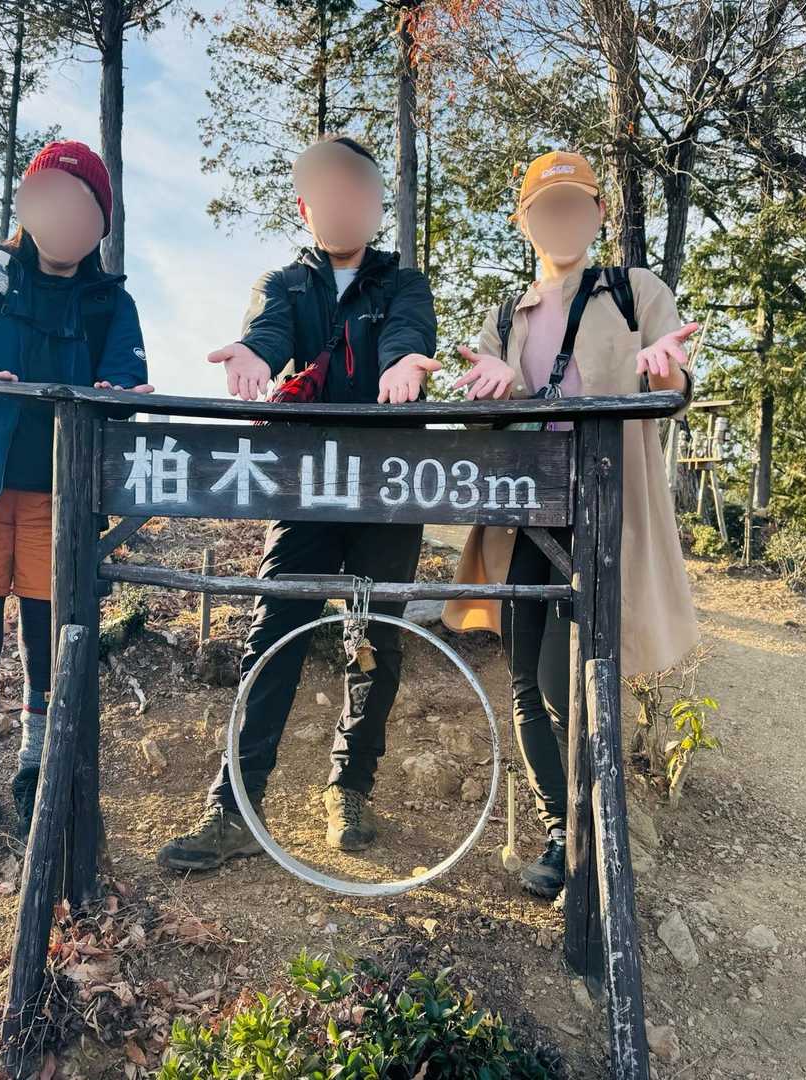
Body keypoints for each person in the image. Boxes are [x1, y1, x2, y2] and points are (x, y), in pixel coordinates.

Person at [156, 134, 440, 872]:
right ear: (305, 207)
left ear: (377, 204)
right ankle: (235, 806)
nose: (343, 205)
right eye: (328, 193)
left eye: (358, 192)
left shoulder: (405, 284)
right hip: (304, 486)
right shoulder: (283, 283)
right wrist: (255, 353)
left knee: (377, 636)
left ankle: (351, 788)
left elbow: (408, 335)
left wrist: (404, 364)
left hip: (387, 487)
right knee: (273, 630)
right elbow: (269, 332)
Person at [443, 150, 699, 900]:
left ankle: (595, 826)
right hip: (524, 517)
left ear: (597, 214)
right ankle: (563, 829)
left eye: (575, 206)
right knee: (527, 675)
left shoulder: (635, 292)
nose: (561, 220)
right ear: (524, 222)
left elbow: (672, 380)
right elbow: (483, 411)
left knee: (579, 676)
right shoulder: (505, 317)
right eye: (545, 209)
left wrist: (663, 369)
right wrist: (495, 392)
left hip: (606, 513)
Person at [0, 139, 153, 859]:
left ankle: (34, 778)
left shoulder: (111, 303)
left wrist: (117, 396)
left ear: (100, 221)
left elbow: (125, 378)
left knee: (48, 646)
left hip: (63, 498)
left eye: (82, 205)